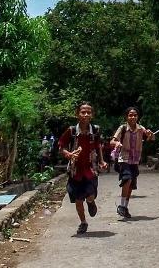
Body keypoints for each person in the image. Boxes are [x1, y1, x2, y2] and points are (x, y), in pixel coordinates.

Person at [59, 101, 107, 235]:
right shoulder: (72, 131)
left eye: (89, 112)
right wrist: (68, 154)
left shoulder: (95, 130)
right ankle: (83, 222)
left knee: (90, 195)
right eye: (83, 112)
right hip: (76, 171)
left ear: (92, 114)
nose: (86, 114)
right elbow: (61, 145)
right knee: (78, 199)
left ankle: (91, 202)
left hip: (91, 169)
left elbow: (98, 146)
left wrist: (102, 161)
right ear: (77, 114)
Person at [111, 107, 154, 218]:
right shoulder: (123, 128)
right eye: (130, 115)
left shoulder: (141, 129)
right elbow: (112, 141)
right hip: (124, 159)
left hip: (135, 160)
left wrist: (150, 134)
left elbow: (151, 138)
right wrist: (116, 144)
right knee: (127, 179)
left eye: (135, 115)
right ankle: (121, 205)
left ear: (138, 117)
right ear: (126, 117)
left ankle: (125, 207)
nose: (133, 117)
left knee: (131, 185)